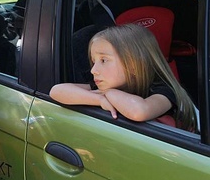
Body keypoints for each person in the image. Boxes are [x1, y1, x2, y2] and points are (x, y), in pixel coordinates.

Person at [50, 23, 198, 132]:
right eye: (94, 62)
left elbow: (139, 111)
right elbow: (57, 91)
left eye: (103, 60)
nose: (94, 70)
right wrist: (99, 99)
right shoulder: (106, 85)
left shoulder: (164, 90)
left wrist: (109, 94)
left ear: (133, 64)